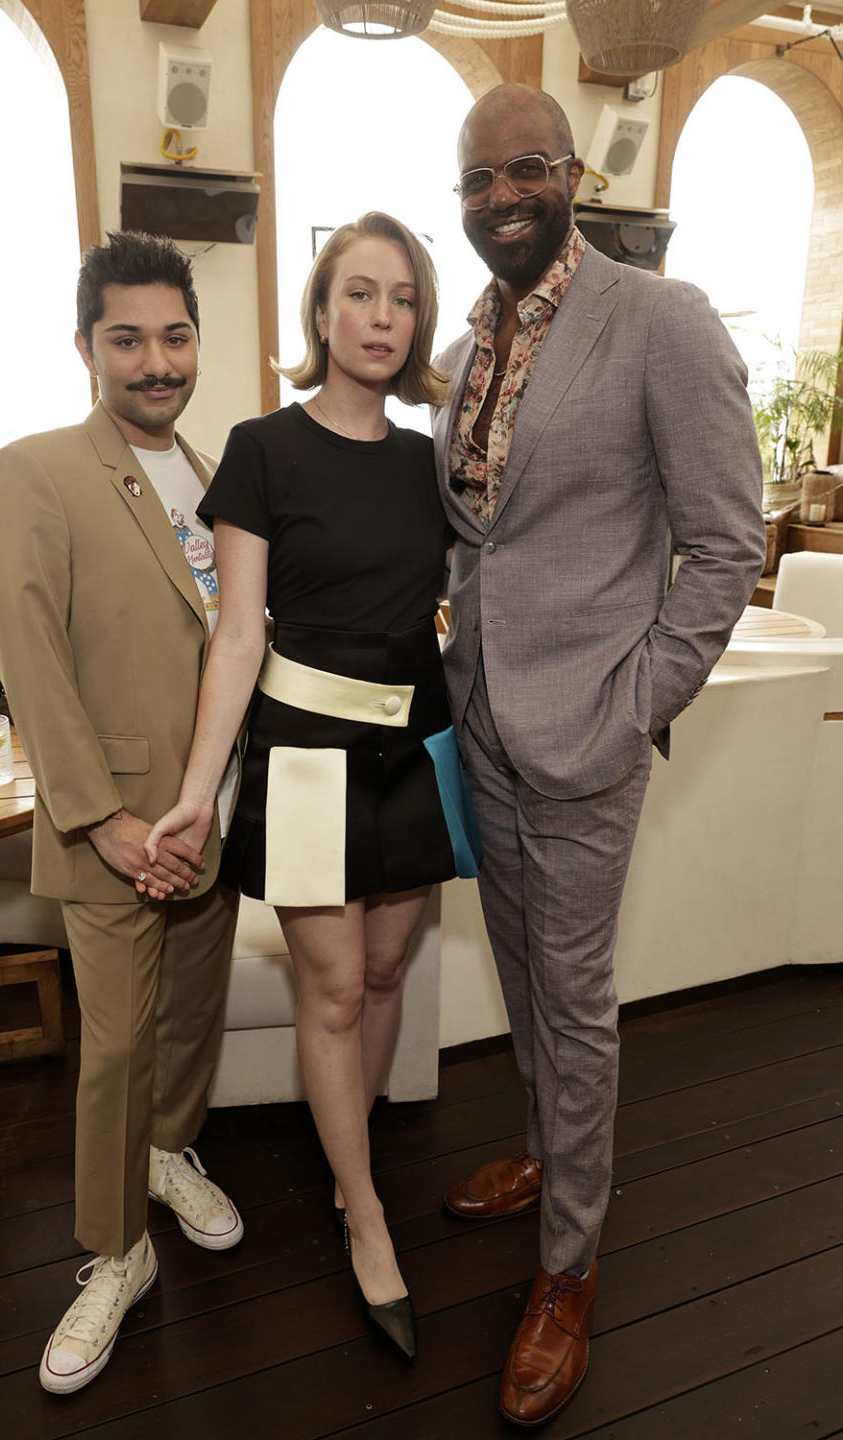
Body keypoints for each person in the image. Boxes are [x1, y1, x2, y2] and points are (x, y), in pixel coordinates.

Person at [433, 85, 766, 1427]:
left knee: (573, 1002)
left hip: (586, 731)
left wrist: (634, 702)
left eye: (525, 169)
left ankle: (567, 1262)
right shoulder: (480, 338)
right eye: (476, 179)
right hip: (484, 725)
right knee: (522, 968)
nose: (501, 196)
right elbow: (481, 530)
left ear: (575, 172)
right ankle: (543, 1150)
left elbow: (729, 547)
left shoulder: (657, 321)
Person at [146, 211, 478, 1361]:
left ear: (417, 321)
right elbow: (237, 637)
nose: (382, 318)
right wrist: (201, 791)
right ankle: (368, 1211)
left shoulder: (427, 461)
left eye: (402, 300)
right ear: (322, 313)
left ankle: (351, 1165)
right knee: (333, 992)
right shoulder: (261, 449)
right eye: (360, 295)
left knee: (387, 970)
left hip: (414, 744)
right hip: (301, 751)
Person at [0, 231, 243, 1395]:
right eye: (127, 338)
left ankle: (168, 1153)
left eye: (174, 335)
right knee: (118, 1046)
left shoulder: (221, 473)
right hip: (118, 828)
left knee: (191, 1019)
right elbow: (28, 658)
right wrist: (102, 820)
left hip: (214, 813)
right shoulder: (35, 470)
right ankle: (112, 1252)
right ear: (85, 347)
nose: (155, 360)